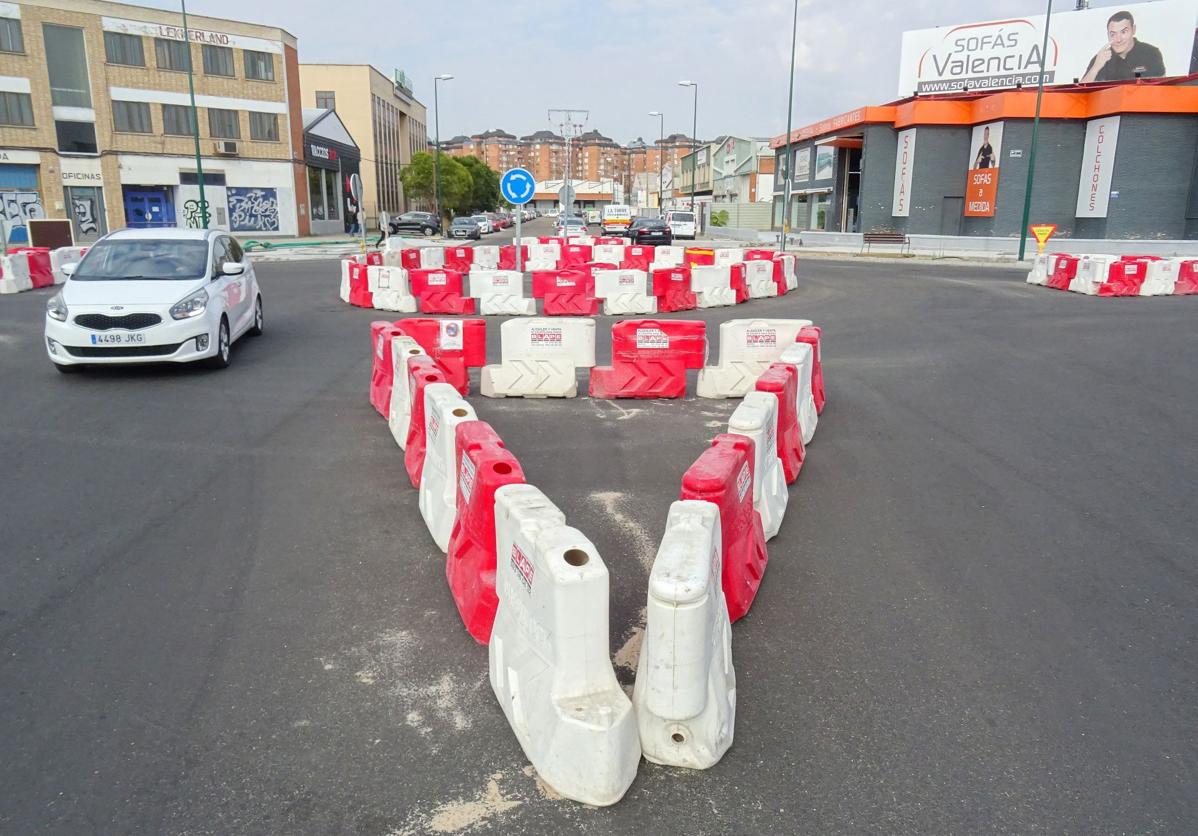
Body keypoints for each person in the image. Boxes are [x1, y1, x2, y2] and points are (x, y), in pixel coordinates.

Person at [1081, 10, 1166, 83]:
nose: (1118, 39)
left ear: (1133, 30)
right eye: (1113, 34)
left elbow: (1161, 89)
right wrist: (1096, 67)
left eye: (1123, 32)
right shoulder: (1101, 58)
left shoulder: (1151, 53)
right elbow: (1079, 94)